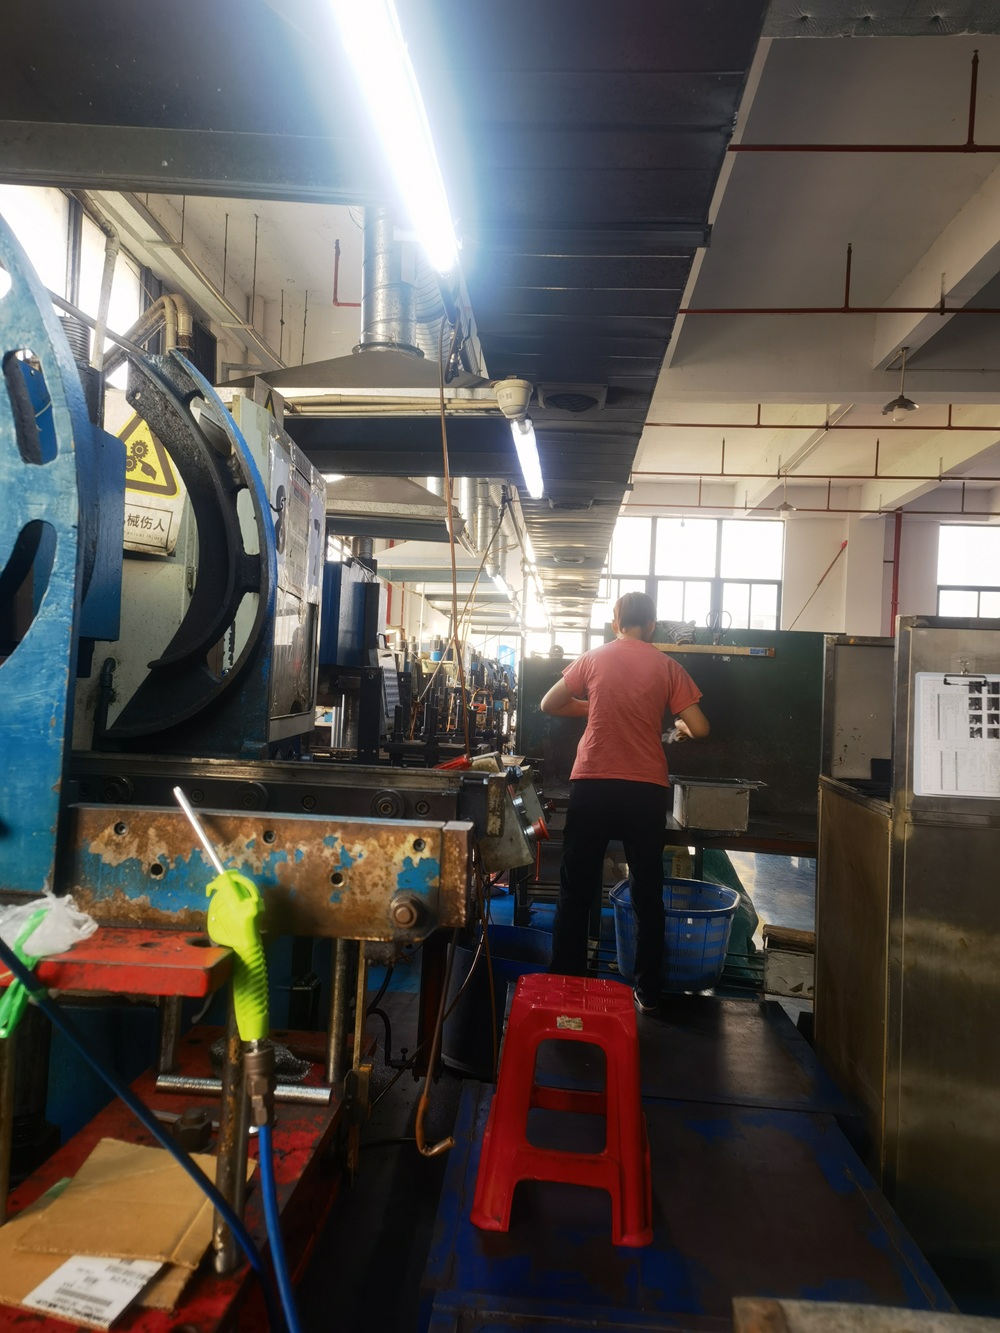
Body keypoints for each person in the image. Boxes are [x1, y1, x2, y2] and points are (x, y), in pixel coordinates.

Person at [539, 591, 709, 1013]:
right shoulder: (668, 666)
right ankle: (648, 991)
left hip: (593, 782)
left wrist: (594, 706)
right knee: (647, 892)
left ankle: (567, 982)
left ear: (616, 622)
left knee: (576, 889)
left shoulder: (593, 658)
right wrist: (681, 727)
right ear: (652, 625)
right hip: (645, 789)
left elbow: (548, 703)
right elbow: (701, 728)